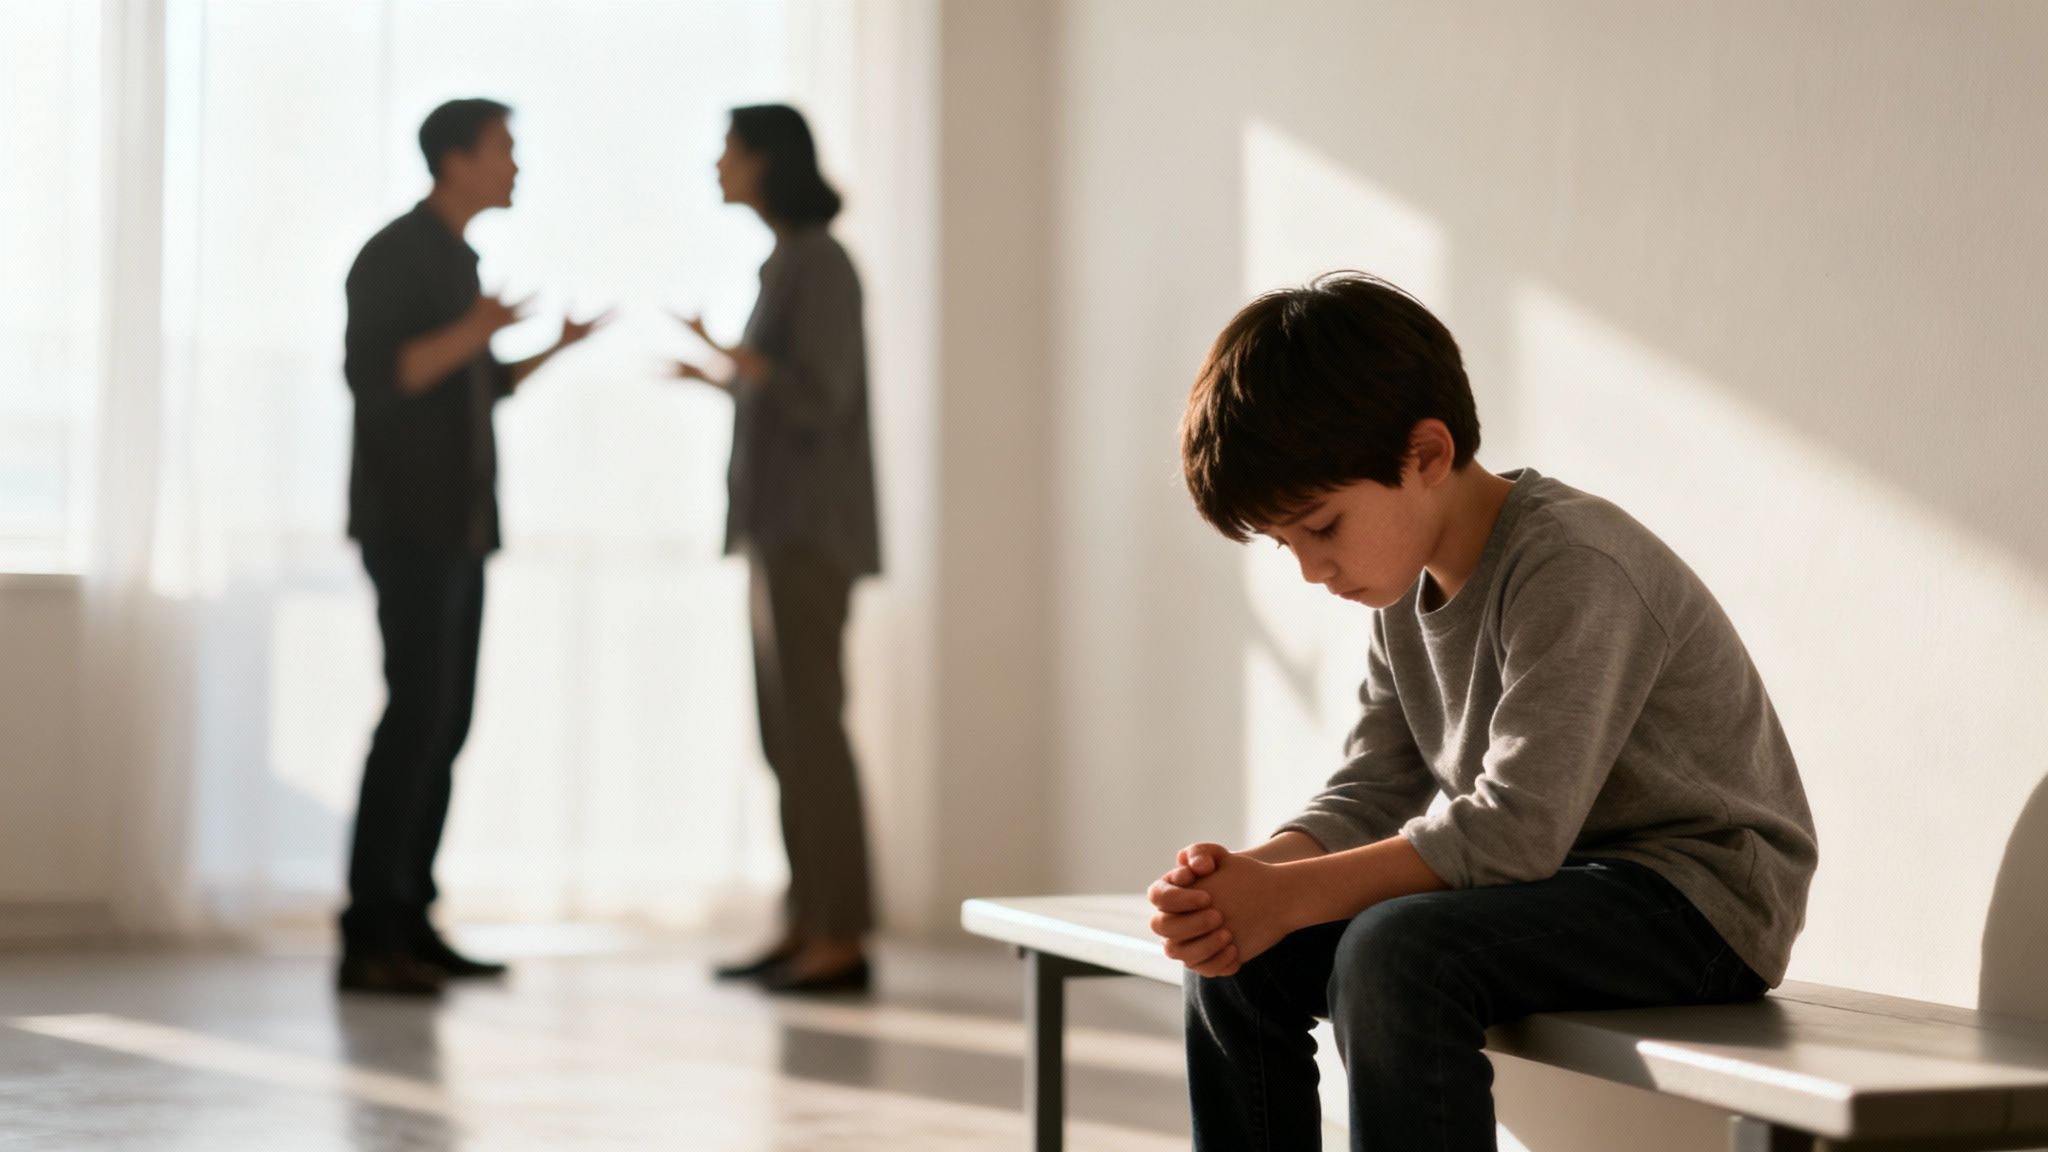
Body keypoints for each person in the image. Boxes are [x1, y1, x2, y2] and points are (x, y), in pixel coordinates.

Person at [1149, 273, 1819, 1149]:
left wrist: (1285, 894)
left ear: (1426, 455)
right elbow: (1371, 788)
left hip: (1698, 899)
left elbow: (1514, 832)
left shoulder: (1572, 564)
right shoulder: (1400, 586)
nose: (1313, 570)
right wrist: (1245, 883)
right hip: (1551, 888)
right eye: (1287, 545)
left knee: (1395, 955)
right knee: (1238, 960)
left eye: (1322, 526)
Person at [339, 97, 609, 996]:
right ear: (455, 159)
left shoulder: (459, 262)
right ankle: (370, 932)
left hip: (461, 527)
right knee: (412, 720)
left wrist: (551, 347)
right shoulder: (394, 254)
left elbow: (479, 382)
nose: (516, 167)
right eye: (505, 150)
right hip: (407, 525)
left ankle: (411, 919)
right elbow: (385, 378)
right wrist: (477, 330)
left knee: (444, 724)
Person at [671, 105, 881, 994]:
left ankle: (839, 935)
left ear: (766, 160)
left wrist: (739, 364)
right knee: (784, 736)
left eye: (730, 149)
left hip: (809, 533)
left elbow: (820, 395)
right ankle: (806, 923)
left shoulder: (821, 262)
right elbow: (786, 396)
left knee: (810, 733)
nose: (719, 163)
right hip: (779, 529)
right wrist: (728, 373)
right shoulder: (789, 260)